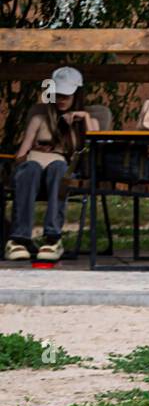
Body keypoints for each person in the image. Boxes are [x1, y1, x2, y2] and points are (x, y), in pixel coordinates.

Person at [6, 66, 98, 262]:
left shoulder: (85, 120)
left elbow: (97, 147)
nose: (62, 99)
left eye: (67, 95)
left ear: (77, 95)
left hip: (60, 169)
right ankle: (19, 239)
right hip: (33, 167)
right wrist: (22, 162)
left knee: (59, 169)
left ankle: (52, 237)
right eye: (58, 94)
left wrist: (85, 118)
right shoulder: (40, 116)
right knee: (29, 169)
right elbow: (22, 152)